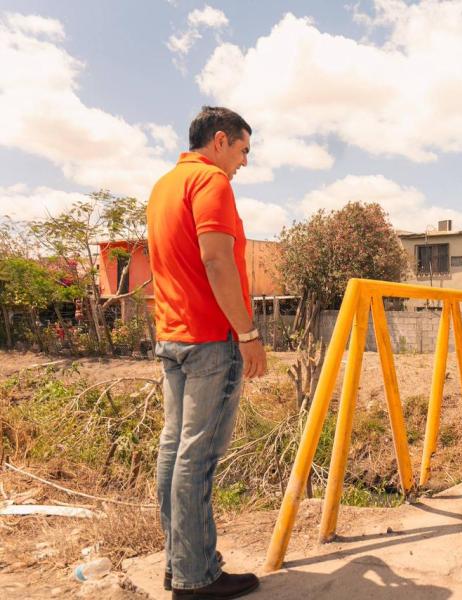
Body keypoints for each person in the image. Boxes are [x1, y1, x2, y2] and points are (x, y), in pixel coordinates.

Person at [147, 106, 266, 599]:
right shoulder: (211, 183)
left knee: (174, 452)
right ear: (220, 141)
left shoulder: (163, 187)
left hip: (171, 336)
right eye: (242, 150)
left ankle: (182, 566)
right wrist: (248, 334)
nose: (243, 162)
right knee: (197, 458)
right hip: (208, 340)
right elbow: (216, 261)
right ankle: (197, 578)